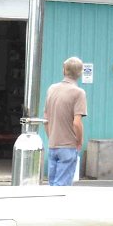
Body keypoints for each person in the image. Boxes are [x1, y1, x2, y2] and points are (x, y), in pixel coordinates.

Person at [43, 57, 88, 186]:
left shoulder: (51, 89)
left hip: (53, 145)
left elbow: (46, 119)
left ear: (64, 70)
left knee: (52, 185)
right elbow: (77, 123)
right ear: (79, 73)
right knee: (61, 187)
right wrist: (79, 141)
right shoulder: (79, 93)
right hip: (68, 146)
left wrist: (51, 137)